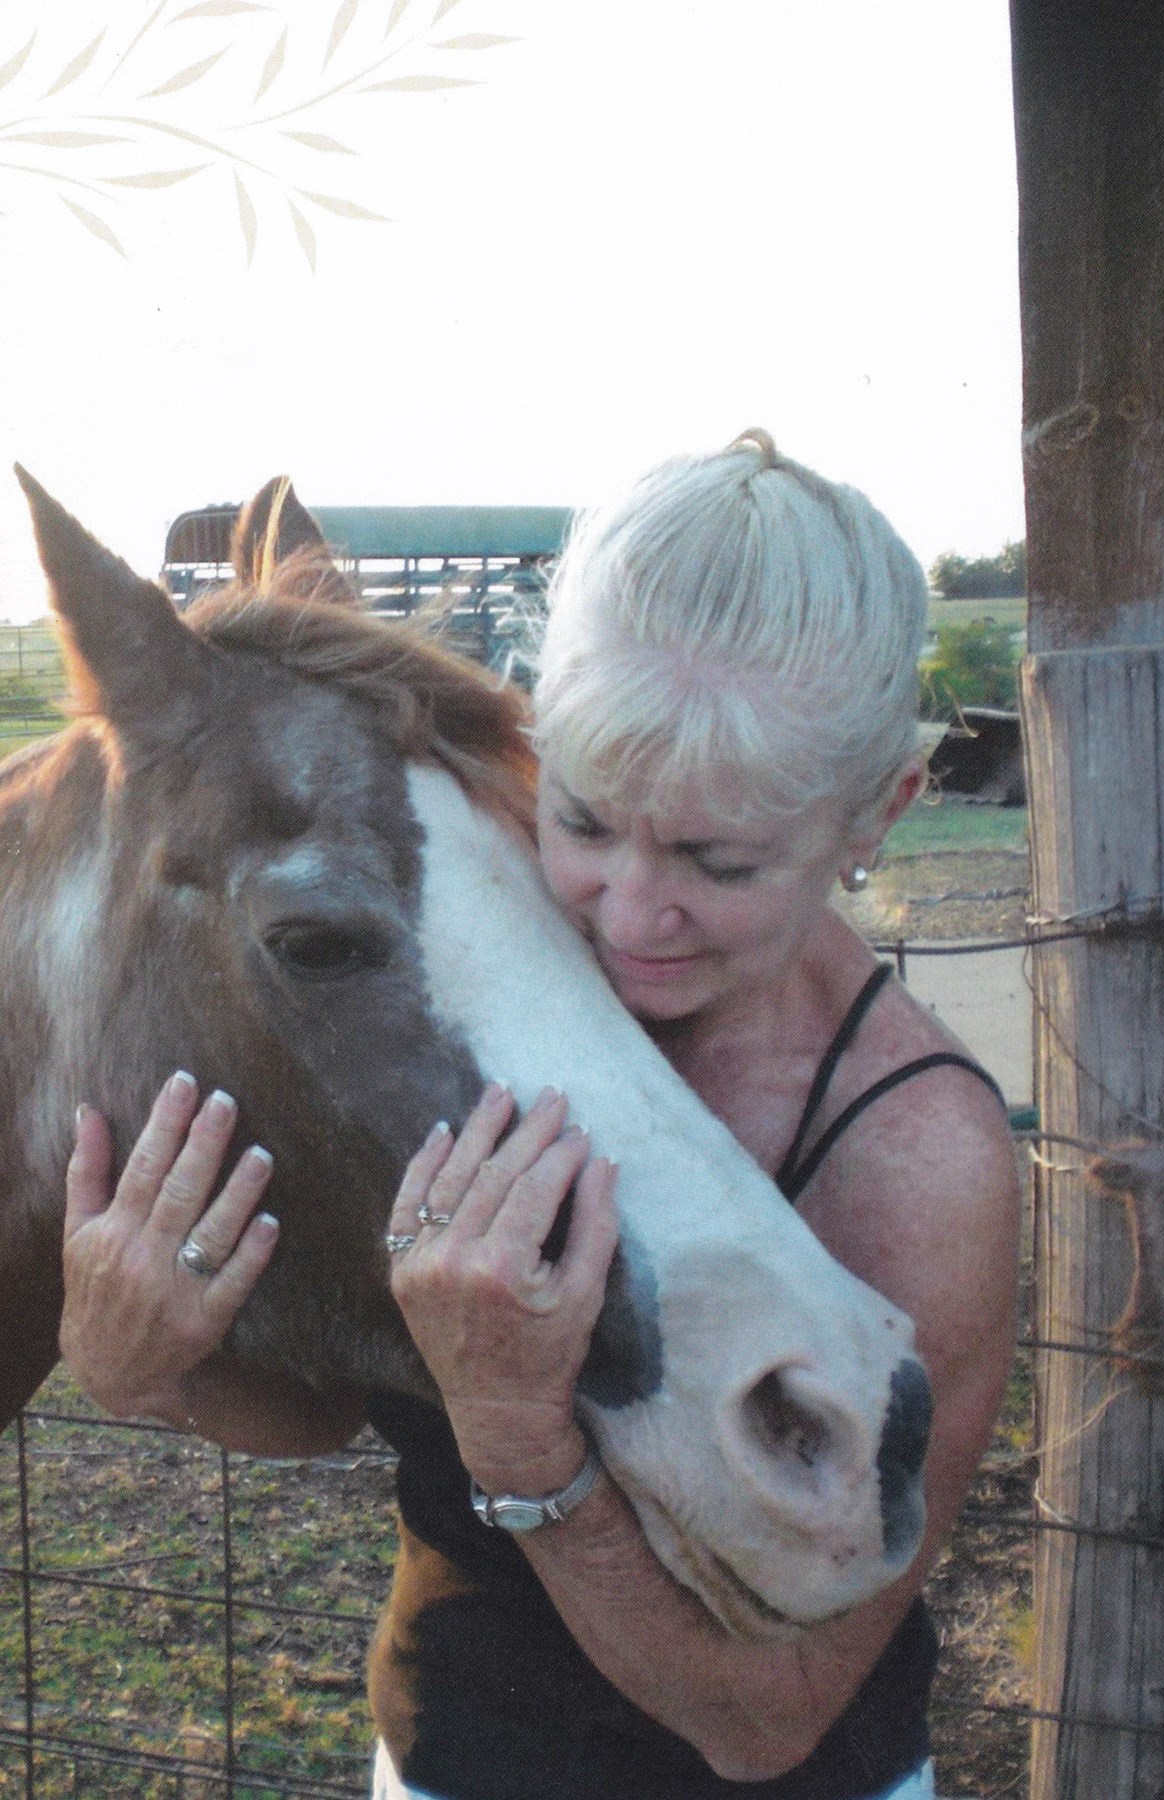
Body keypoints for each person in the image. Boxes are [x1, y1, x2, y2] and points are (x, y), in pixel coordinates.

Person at [59, 432, 1020, 1800]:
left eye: (718, 859)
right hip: (443, 1750)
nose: (629, 916)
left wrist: (522, 1434)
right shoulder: (476, 955)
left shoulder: (919, 1155)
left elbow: (771, 1721)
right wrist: (148, 1364)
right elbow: (325, 1410)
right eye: (580, 817)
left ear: (880, 814)